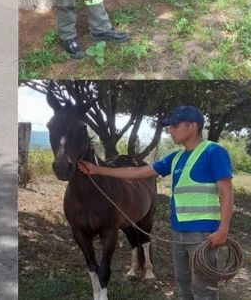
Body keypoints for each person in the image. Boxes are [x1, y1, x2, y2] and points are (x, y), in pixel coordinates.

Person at [78, 106, 234, 300]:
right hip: (178, 231)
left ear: (192, 126)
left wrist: (223, 230)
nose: (170, 130)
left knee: (204, 288)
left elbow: (227, 193)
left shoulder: (214, 152)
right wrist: (98, 170)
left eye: (175, 125)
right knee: (183, 282)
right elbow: (135, 173)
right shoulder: (176, 157)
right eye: (169, 126)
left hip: (203, 234)